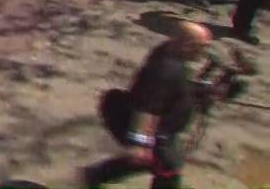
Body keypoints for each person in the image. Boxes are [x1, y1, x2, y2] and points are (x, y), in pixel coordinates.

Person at [81, 22, 212, 189]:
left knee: (150, 162)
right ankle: (94, 175)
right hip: (154, 132)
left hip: (162, 131)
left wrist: (199, 91)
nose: (203, 52)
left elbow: (175, 90)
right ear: (187, 46)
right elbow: (147, 108)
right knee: (166, 167)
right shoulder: (166, 69)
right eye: (201, 47)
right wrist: (140, 143)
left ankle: (94, 175)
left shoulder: (171, 55)